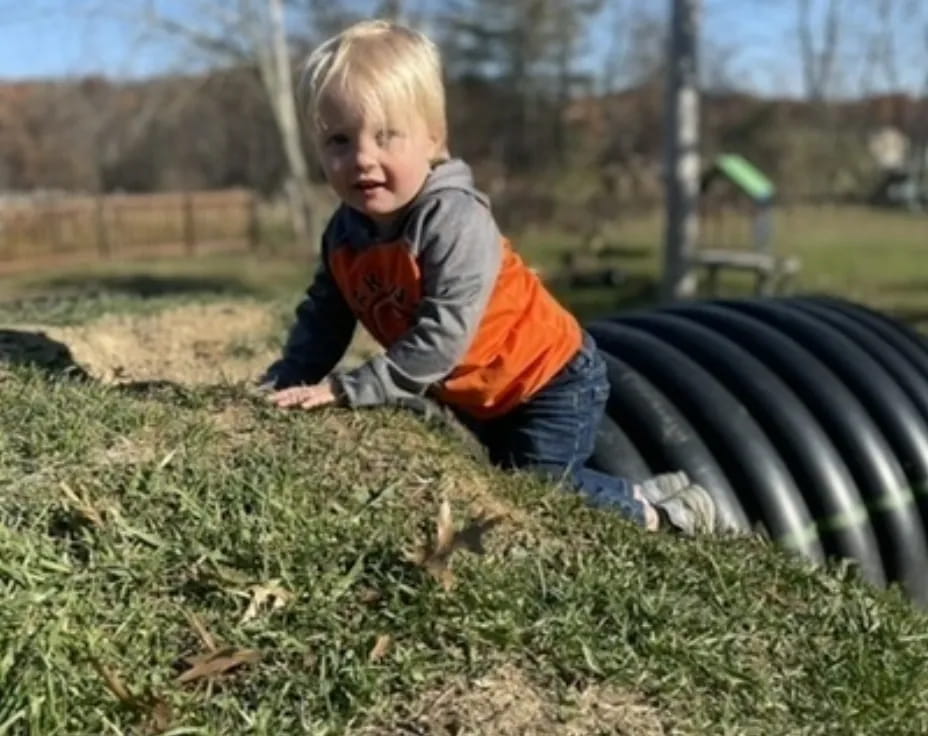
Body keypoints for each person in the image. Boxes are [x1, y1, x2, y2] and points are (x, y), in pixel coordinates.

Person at [260, 19, 717, 536]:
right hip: (485, 391)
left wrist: (351, 389)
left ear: (434, 139)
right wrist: (291, 379)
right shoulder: (345, 233)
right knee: (505, 477)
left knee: (536, 485)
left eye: (386, 136)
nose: (363, 157)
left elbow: (442, 339)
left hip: (549, 377)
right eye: (339, 140)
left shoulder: (453, 219)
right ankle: (644, 490)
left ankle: (666, 515)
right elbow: (327, 313)